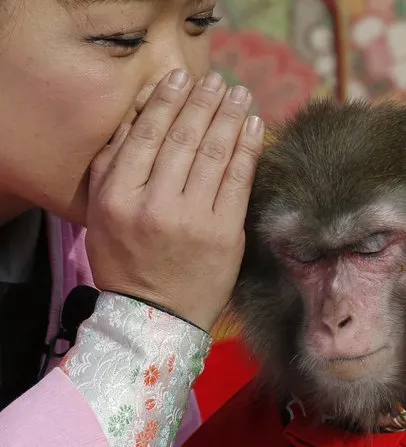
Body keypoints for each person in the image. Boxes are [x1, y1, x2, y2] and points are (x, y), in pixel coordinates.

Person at [0, 0, 264, 445]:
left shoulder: (114, 246)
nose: (180, 80)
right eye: (120, 38)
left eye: (199, 22)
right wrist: (143, 330)